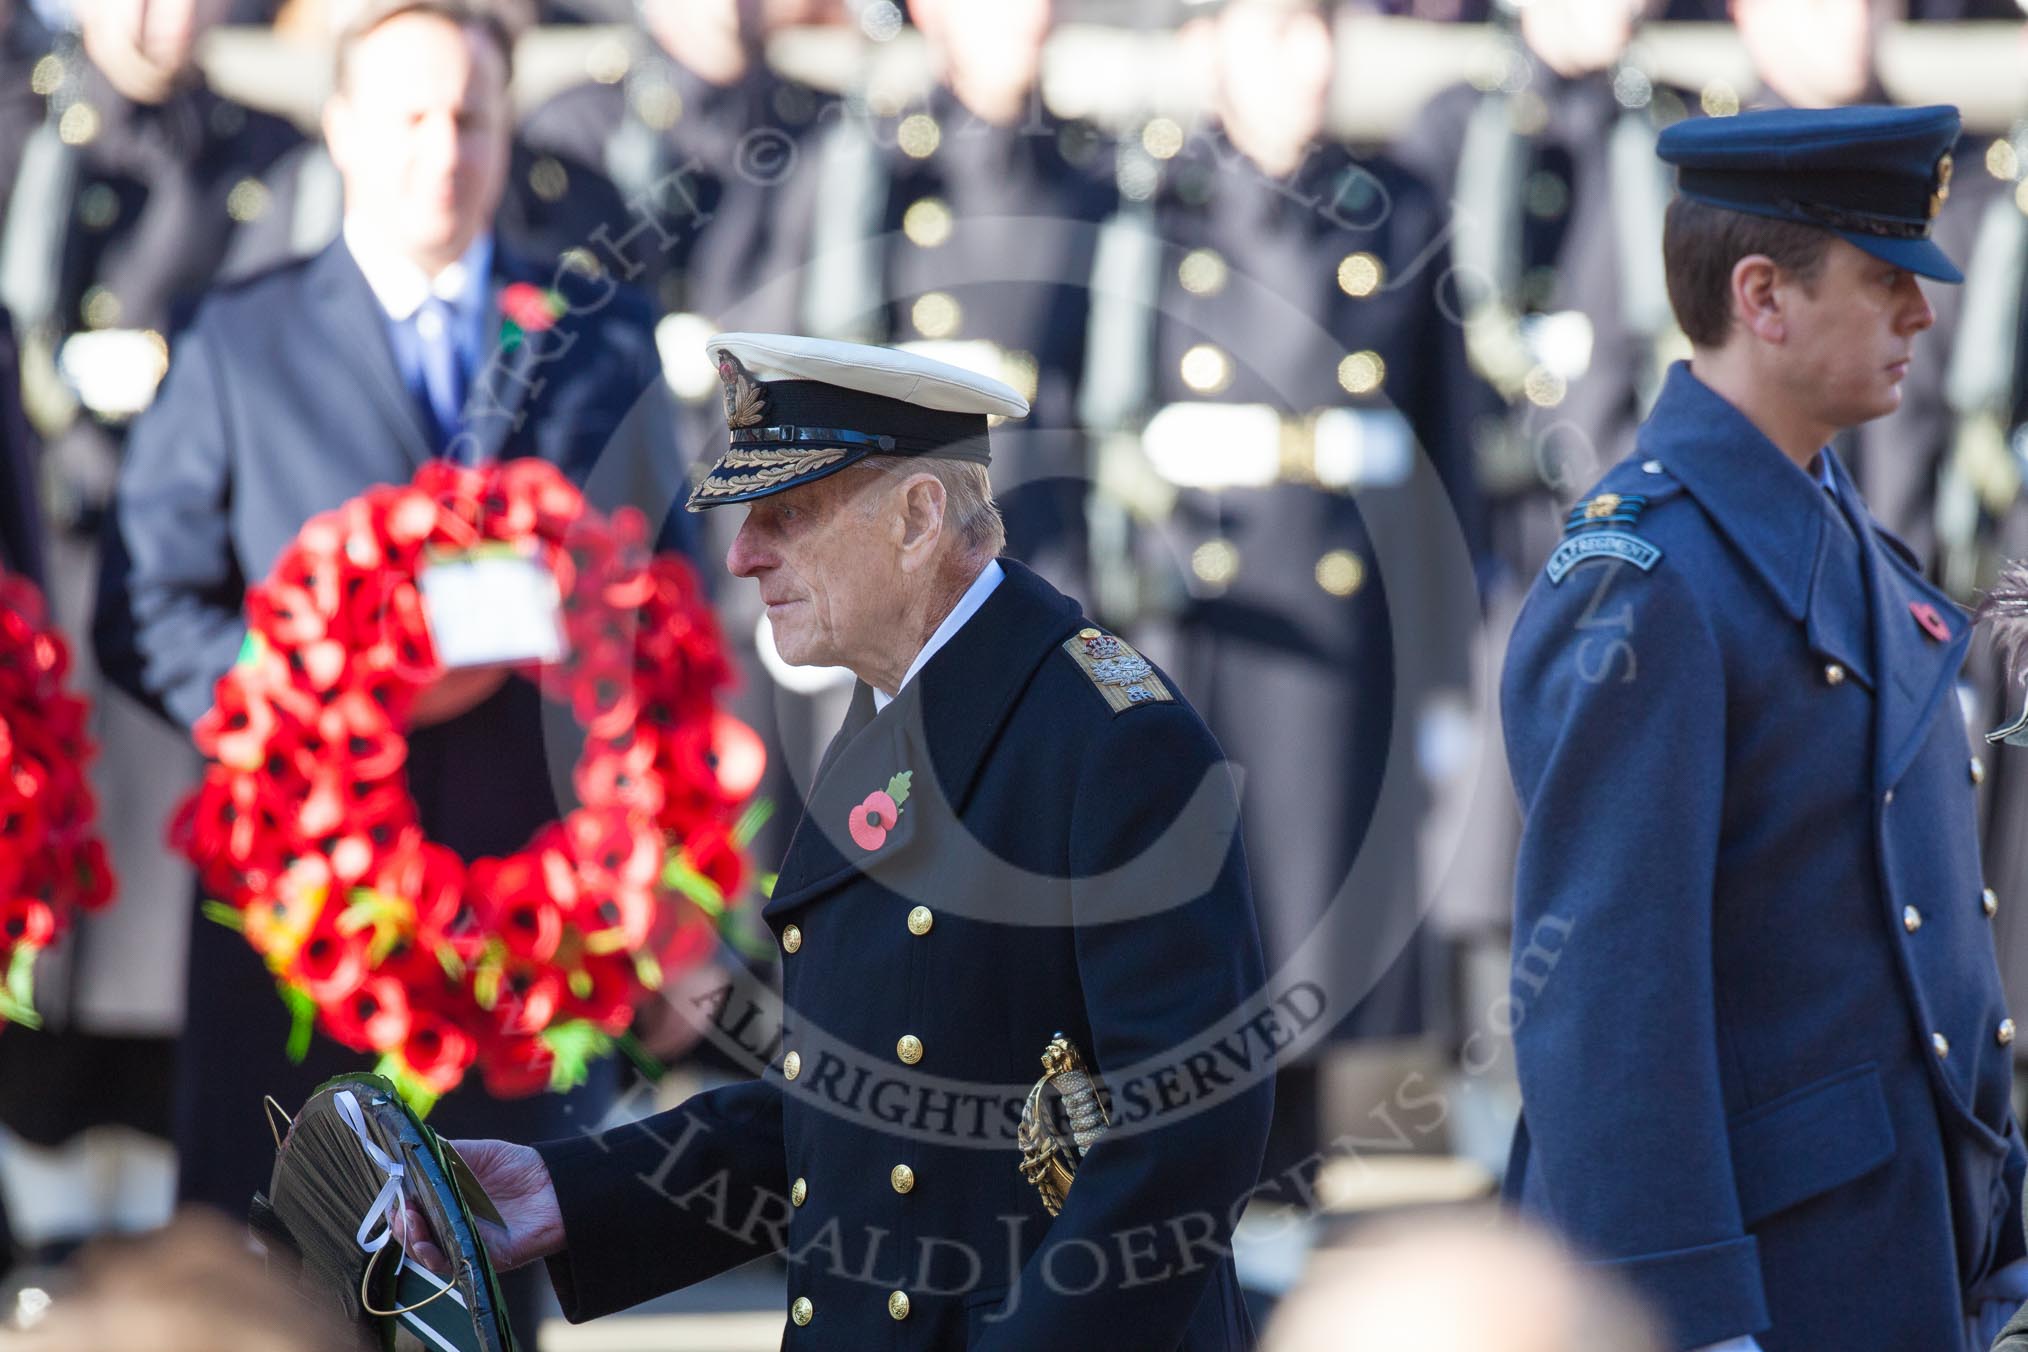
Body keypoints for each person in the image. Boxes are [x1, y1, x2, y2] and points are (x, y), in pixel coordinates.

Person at [414, 333, 1275, 1349]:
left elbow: (1183, 1138)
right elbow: (852, 1112)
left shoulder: (1112, 737)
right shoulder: (893, 712)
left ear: (917, 518)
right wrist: (569, 1188)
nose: (742, 555)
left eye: (788, 514)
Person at [92, 0, 688, 1339]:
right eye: (411, 115)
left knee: (483, 1285)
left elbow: (674, 592)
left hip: (515, 916)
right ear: (344, 130)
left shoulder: (595, 337)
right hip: (296, 910)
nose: (445, 146)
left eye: (472, 115)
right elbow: (146, 609)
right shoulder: (238, 336)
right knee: (269, 1283)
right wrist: (303, 716)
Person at [1501, 104, 2026, 1352]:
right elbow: (1605, 1002)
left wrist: (1997, 1241)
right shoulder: (1643, 578)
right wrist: (1686, 1317)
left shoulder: (1839, 533)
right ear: (1763, 297)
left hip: (1884, 1250)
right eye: (1888, 279)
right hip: (1757, 1283)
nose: (1923, 314)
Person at [1102, 0, 1487, 1177]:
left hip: (1338, 604)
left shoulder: (1400, 209)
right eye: (1276, 31)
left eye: (1321, 29)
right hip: (1199, 599)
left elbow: (1445, 449)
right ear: (1207, 49)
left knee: (1321, 864)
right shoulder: (1148, 208)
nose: (1308, 61)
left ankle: (1299, 1145)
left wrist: (1444, 647)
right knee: (1203, 875)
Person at [0, 0, 304, 1260]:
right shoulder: (25, 134)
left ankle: (149, 1244)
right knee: (45, 959)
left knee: (164, 937)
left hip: (183, 584)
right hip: (43, 577)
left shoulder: (262, 150)